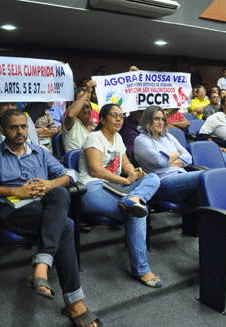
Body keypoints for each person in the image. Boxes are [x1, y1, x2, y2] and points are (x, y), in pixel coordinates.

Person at [0, 109, 102, 327]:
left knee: (60, 192)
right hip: (14, 211)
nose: (20, 132)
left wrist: (50, 184)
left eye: (23, 126)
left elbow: (70, 174)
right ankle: (73, 301)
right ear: (2, 130)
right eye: (13, 127)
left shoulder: (40, 152)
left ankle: (42, 265)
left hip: (44, 208)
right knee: (65, 225)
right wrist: (15, 192)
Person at [78, 103, 162, 287]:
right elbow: (95, 170)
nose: (119, 119)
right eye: (114, 115)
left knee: (153, 178)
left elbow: (125, 165)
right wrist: (125, 181)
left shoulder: (118, 138)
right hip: (92, 188)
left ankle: (133, 199)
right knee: (138, 210)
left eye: (121, 116)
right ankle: (141, 269)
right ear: (102, 119)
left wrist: (134, 171)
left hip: (116, 189)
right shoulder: (94, 137)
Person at [134, 106, 202, 203]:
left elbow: (188, 158)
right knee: (206, 176)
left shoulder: (168, 136)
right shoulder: (141, 140)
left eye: (163, 119)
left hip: (182, 175)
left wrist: (167, 162)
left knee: (203, 189)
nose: (161, 122)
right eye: (156, 119)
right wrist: (176, 154)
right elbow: (159, 161)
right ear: (148, 120)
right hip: (162, 182)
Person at [198, 95, 226, 163]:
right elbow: (203, 134)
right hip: (222, 148)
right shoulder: (216, 117)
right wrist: (217, 147)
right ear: (223, 106)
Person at [63, 80, 98, 153]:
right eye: (81, 108)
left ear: (91, 109)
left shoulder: (95, 126)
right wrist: (86, 92)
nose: (85, 110)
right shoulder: (71, 124)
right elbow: (71, 114)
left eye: (87, 107)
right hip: (78, 162)